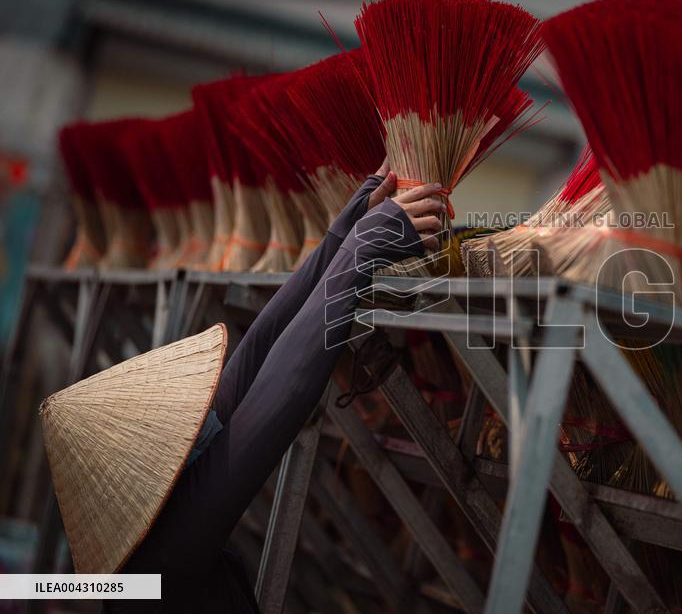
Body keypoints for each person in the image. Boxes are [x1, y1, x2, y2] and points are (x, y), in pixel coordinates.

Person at [39, 164, 446, 613]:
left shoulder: (140, 556)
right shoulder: (163, 560)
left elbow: (251, 360)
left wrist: (343, 235)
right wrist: (359, 253)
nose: (190, 418)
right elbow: (280, 396)